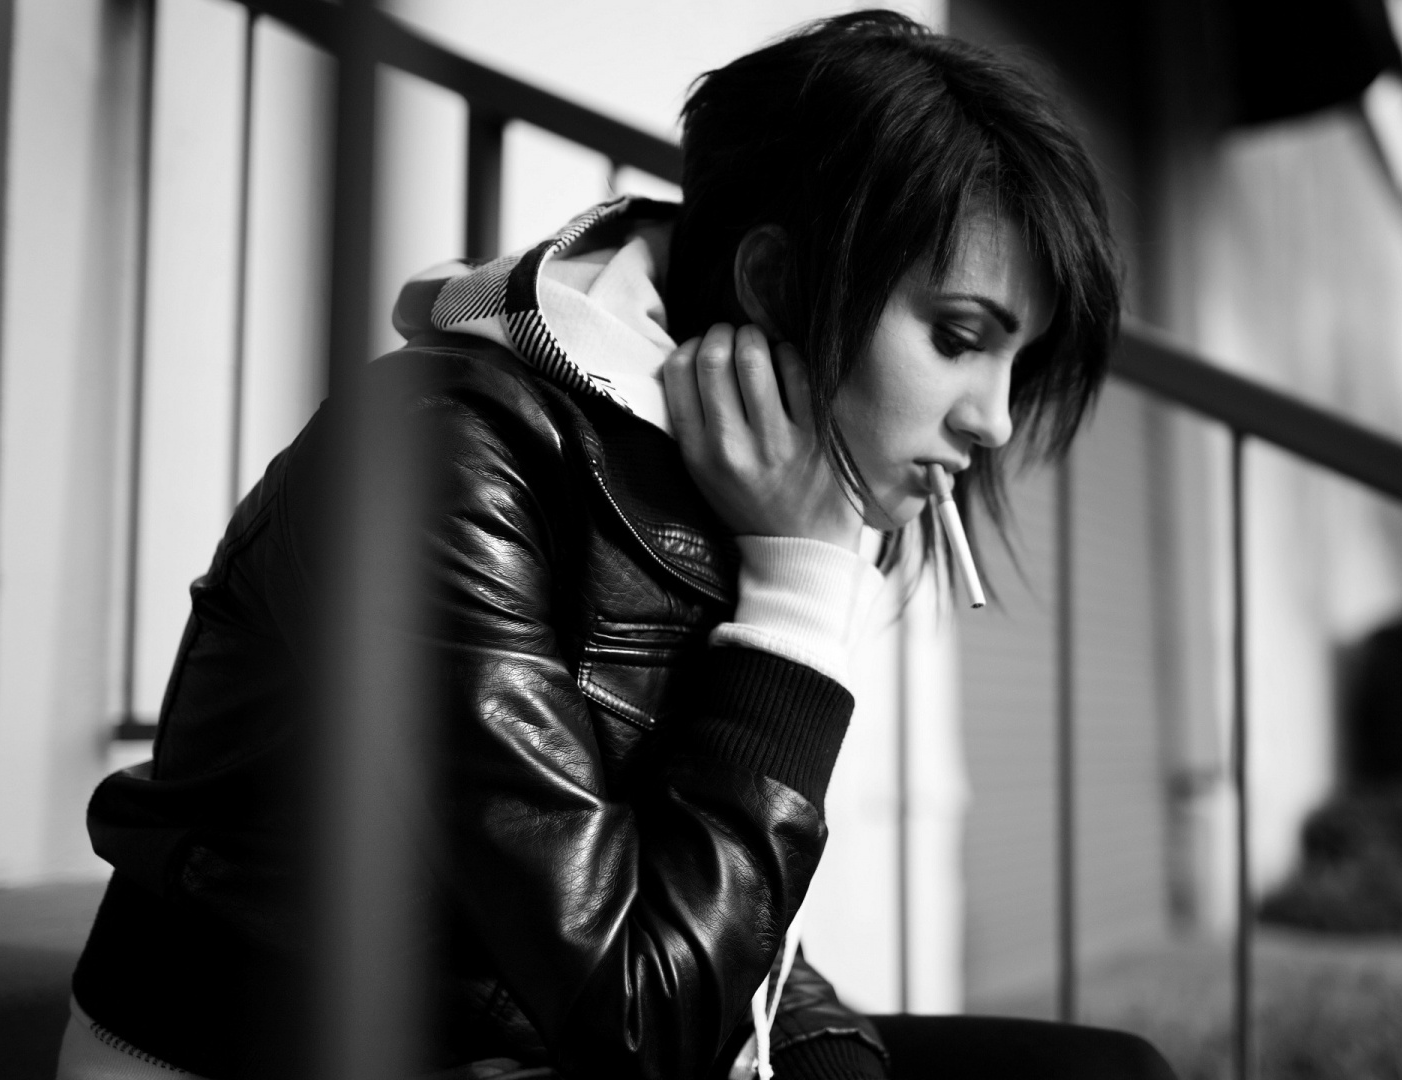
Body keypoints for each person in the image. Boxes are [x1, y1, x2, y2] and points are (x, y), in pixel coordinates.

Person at [62, 11, 1173, 1080]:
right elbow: (638, 1020)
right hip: (279, 1052)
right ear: (777, 286)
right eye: (958, 337)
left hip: (538, 1037)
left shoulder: (722, 469)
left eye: (1018, 361)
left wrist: (824, 1050)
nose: (995, 420)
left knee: (1106, 1069)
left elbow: (700, 890)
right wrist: (799, 599)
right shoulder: (447, 467)